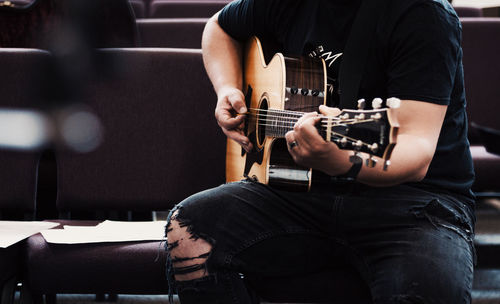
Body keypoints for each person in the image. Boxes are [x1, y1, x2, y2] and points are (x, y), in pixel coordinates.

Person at [165, 0, 476, 303]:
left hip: (414, 203)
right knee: (189, 229)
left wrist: (339, 160)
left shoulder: (423, 14)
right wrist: (228, 89)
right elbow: (219, 27)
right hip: (300, 189)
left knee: (430, 288)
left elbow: (415, 150)